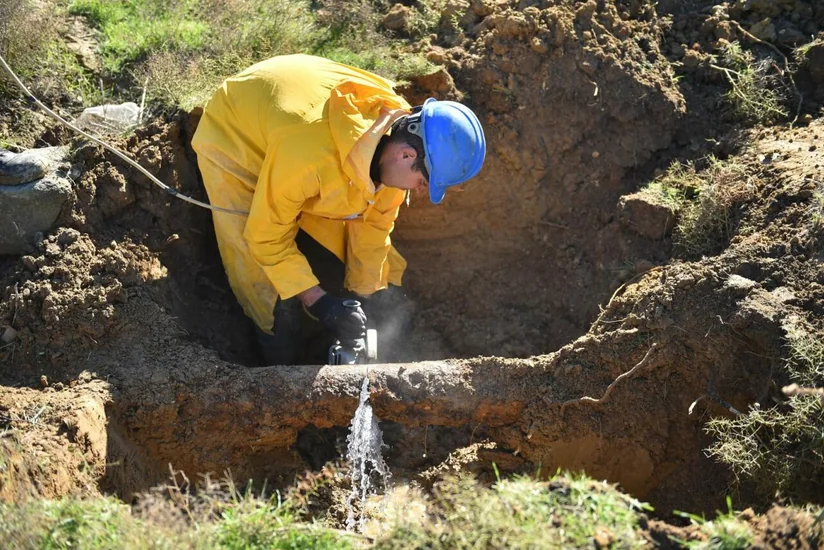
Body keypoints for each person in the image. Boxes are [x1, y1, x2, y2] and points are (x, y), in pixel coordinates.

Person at [191, 54, 485, 365]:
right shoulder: (311, 159)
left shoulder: (395, 138)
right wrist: (321, 303)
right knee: (270, 287)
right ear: (405, 155)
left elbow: (374, 227)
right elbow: (265, 236)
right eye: (424, 180)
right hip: (237, 136)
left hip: (293, 126)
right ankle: (278, 365)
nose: (423, 191)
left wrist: (361, 298)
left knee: (345, 261)